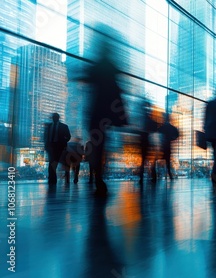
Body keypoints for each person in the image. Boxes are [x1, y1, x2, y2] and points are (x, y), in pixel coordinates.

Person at [78, 24, 128, 195]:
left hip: (95, 113)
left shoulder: (98, 64)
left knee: (97, 147)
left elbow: (86, 77)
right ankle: (99, 178)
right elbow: (117, 90)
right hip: (105, 114)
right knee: (102, 146)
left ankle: (98, 177)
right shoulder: (110, 65)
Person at [44, 113, 71, 185]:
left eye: (55, 117)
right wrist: (46, 145)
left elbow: (68, 136)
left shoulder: (64, 126)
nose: (54, 118)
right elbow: (45, 136)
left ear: (58, 118)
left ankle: (52, 179)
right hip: (50, 147)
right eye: (53, 117)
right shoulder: (49, 126)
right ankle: (52, 179)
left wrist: (63, 143)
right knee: (52, 163)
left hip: (59, 147)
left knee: (53, 162)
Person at [139, 100, 158, 184]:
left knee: (144, 161)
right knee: (151, 161)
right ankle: (153, 177)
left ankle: (142, 178)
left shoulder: (142, 120)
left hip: (144, 142)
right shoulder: (150, 120)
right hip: (149, 142)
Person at [158, 112, 179, 180]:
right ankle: (170, 175)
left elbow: (158, 135)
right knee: (167, 160)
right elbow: (177, 134)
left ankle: (156, 175)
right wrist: (172, 138)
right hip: (168, 146)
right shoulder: (171, 128)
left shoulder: (161, 128)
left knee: (159, 160)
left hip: (161, 146)